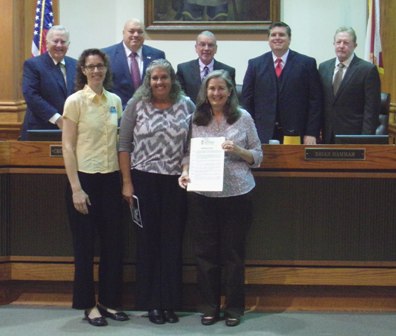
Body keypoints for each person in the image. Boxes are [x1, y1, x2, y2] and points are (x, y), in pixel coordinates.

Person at [178, 70, 263, 327]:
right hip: (203, 195)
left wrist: (238, 150)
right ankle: (209, 307)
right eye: (211, 89)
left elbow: (258, 156)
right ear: (205, 92)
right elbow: (186, 154)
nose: (216, 93)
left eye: (221, 89)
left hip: (237, 194)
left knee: (233, 254)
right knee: (205, 254)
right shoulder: (195, 119)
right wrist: (184, 171)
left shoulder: (243, 118)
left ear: (229, 92)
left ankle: (235, 307)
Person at [118, 59, 195, 324]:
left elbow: (191, 146)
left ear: (172, 80)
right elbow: (124, 144)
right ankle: (151, 303)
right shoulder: (135, 105)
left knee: (172, 243)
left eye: (164, 77)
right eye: (154, 78)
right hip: (143, 181)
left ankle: (170, 302)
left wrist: (186, 168)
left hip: (176, 183)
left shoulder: (187, 105)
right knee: (148, 243)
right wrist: (127, 182)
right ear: (147, 81)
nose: (159, 82)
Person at [62, 49, 128, 327]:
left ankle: (109, 302)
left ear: (105, 69)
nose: (96, 71)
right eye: (91, 67)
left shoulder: (115, 101)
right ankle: (88, 305)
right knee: (85, 247)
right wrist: (76, 188)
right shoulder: (75, 102)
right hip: (84, 181)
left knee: (113, 245)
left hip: (111, 179)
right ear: (83, 71)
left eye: (100, 66)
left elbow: (119, 141)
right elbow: (67, 145)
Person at [241, 21, 323, 144]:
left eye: (282, 35)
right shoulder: (255, 65)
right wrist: (249, 132)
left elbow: (315, 101)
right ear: (268, 39)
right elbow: (247, 101)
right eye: (273, 35)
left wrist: (311, 133)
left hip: (296, 133)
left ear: (289, 39)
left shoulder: (307, 64)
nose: (277, 38)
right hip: (262, 133)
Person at [318, 26, 381, 143]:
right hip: (327, 135)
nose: (341, 46)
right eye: (338, 42)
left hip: (354, 136)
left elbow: (371, 109)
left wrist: (365, 140)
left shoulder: (367, 70)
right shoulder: (323, 67)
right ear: (334, 44)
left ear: (355, 45)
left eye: (346, 42)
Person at [20, 25, 77, 140]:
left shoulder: (76, 65)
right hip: (40, 130)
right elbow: (31, 95)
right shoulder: (33, 65)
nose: (59, 45)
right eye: (55, 41)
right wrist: (57, 119)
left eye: (63, 42)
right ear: (47, 43)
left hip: (71, 130)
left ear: (68, 45)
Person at [102, 18, 166, 108]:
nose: (136, 35)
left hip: (150, 114)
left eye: (140, 32)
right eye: (131, 31)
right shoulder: (107, 55)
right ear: (123, 33)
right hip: (118, 114)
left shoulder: (157, 55)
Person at [176, 30, 236, 103]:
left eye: (210, 45)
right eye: (202, 44)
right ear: (196, 48)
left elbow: (232, 100)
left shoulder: (228, 71)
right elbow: (180, 98)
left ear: (216, 49)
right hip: (192, 112)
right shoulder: (183, 69)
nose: (206, 48)